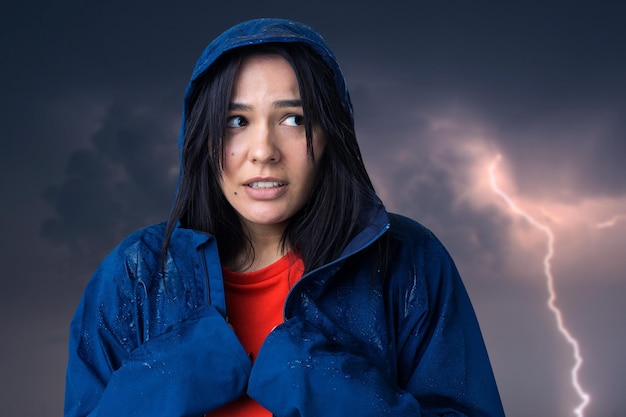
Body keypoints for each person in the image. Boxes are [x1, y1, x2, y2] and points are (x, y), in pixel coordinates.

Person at [64, 18, 506, 417]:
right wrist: (173, 377)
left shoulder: (408, 261)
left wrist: (314, 379)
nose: (264, 151)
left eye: (293, 119)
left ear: (331, 132)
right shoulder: (134, 276)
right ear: (201, 137)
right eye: (236, 121)